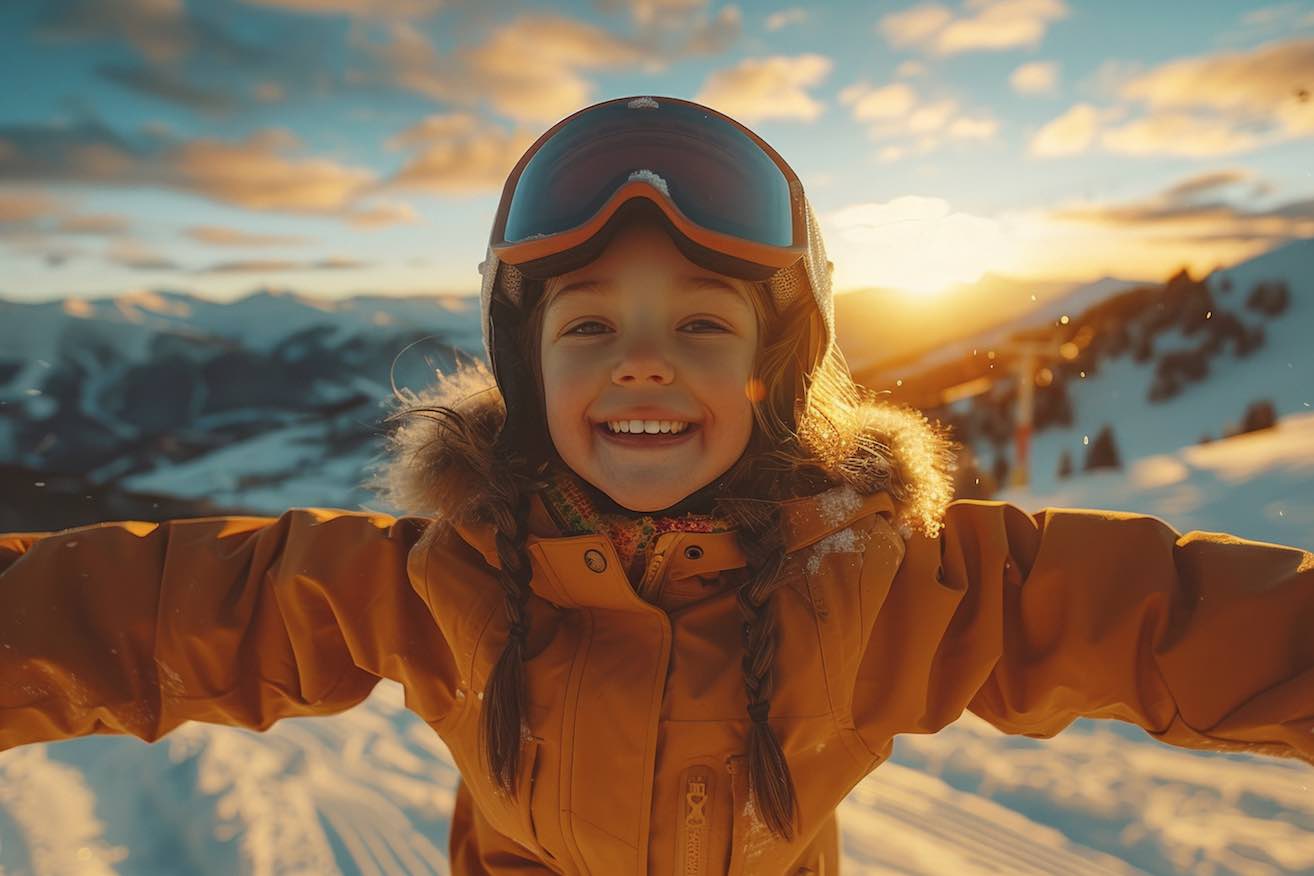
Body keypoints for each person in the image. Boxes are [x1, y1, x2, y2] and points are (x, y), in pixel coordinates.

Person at [1, 95, 1311, 876]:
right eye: (587, 331)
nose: (642, 366)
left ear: (776, 371)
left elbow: (1168, 616)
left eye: (699, 328)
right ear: (524, 367)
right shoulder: (439, 579)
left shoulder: (883, 579)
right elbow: (157, 608)